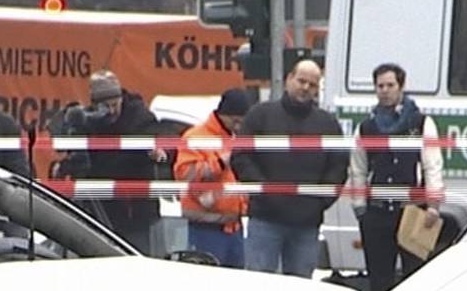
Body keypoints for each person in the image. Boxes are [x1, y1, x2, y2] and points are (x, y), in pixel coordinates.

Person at [233, 58, 347, 276]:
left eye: (312, 84)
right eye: (301, 81)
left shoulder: (328, 124)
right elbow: (241, 157)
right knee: (259, 287)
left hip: (306, 223)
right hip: (265, 219)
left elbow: (339, 166)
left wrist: (319, 202)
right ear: (288, 79)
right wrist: (264, 191)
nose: (305, 88)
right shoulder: (260, 115)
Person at [347, 63, 443, 291]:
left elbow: (432, 165)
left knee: (416, 280)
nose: (385, 91)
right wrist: (360, 207)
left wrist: (433, 205)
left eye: (390, 85)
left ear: (401, 86)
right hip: (377, 214)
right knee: (379, 283)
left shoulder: (420, 123)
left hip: (411, 211)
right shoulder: (366, 127)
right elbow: (358, 168)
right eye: (380, 86)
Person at [74, 71, 163, 254]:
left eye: (115, 104)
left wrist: (154, 151)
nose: (112, 110)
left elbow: (158, 139)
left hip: (135, 210)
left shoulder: (140, 117)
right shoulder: (89, 122)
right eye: (105, 106)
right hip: (100, 209)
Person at [174, 87, 254, 268]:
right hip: (206, 228)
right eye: (235, 120)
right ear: (224, 114)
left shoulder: (234, 138)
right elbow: (186, 175)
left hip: (234, 228)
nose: (239, 125)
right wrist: (220, 162)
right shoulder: (195, 137)